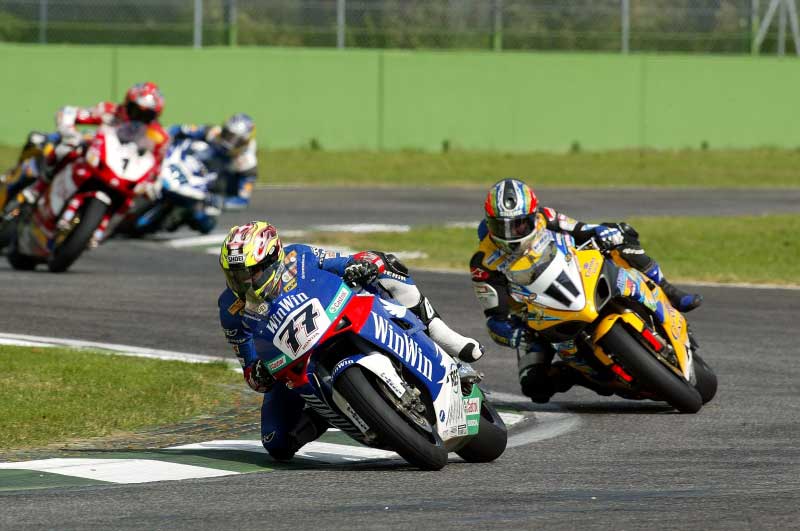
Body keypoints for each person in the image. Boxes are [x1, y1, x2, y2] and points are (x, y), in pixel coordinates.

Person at [218, 221, 483, 460]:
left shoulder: (299, 256)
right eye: (235, 275)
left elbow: (345, 262)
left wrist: (362, 265)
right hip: (292, 360)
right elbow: (249, 368)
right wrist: (259, 373)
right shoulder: (230, 308)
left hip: (339, 315)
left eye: (250, 272)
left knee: (385, 264)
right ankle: (330, 410)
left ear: (272, 260)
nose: (243, 282)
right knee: (276, 443)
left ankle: (441, 335)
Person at [470, 178, 703, 404]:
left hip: (578, 277)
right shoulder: (483, 262)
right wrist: (516, 335)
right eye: (502, 226)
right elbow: (495, 320)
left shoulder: (546, 217)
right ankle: (578, 374)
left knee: (622, 234)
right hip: (537, 317)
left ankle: (670, 291)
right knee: (535, 385)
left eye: (519, 223)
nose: (511, 233)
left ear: (533, 214)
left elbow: (583, 229)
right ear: (489, 223)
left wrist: (604, 232)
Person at [2, 82, 167, 216]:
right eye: (135, 110)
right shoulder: (110, 111)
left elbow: (158, 162)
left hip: (119, 171)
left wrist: (154, 182)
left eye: (146, 115)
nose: (138, 117)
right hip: (94, 153)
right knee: (59, 147)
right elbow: (68, 113)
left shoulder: (157, 135)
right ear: (127, 103)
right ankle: (37, 186)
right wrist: (70, 134)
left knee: (135, 199)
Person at [169, 113, 257, 211]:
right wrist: (167, 136)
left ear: (245, 142)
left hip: (216, 181)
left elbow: (242, 201)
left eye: (237, 140)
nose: (229, 142)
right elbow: (181, 129)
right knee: (198, 146)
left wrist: (220, 202)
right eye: (228, 135)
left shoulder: (248, 162)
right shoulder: (214, 133)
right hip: (200, 162)